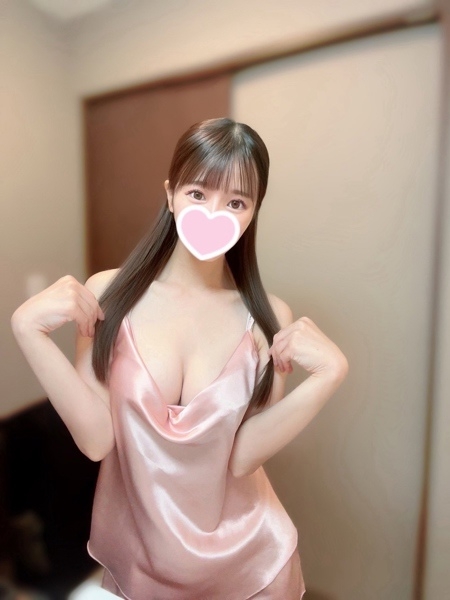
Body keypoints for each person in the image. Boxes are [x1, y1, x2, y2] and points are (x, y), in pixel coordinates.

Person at [11, 117, 349, 599]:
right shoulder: (109, 295)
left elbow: (242, 458)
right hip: (143, 561)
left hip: (253, 563)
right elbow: (96, 440)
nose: (214, 213)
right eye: (197, 193)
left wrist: (330, 375)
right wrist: (28, 331)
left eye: (236, 202)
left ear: (253, 212)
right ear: (170, 195)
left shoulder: (267, 316)